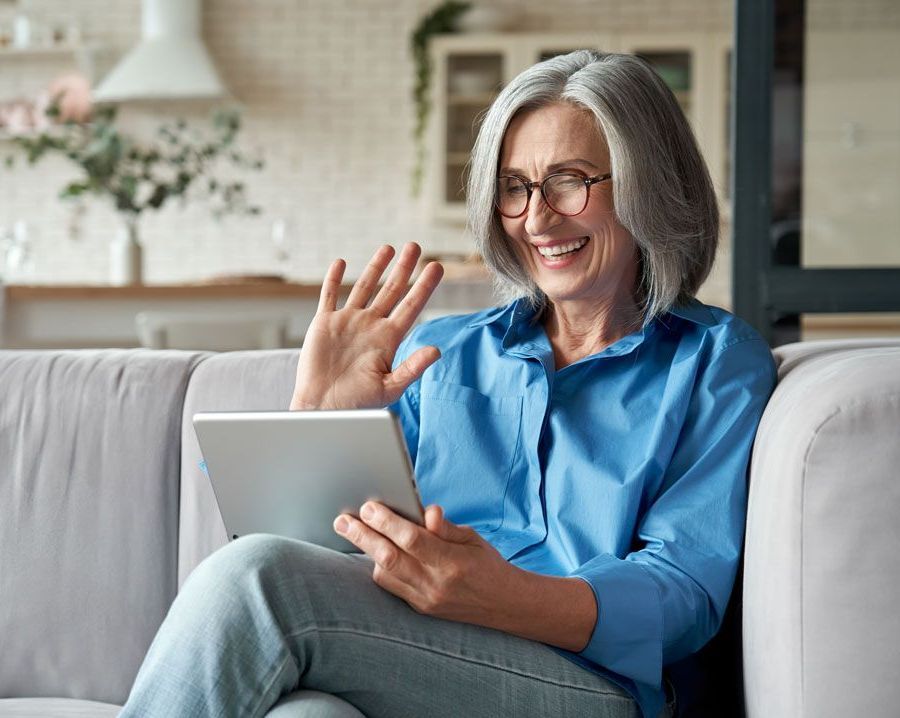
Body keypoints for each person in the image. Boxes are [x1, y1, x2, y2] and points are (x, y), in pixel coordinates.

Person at [120, 50, 775, 718]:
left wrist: (503, 595)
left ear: (648, 183)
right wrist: (317, 417)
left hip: (588, 684)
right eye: (515, 187)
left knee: (256, 580)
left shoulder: (714, 361)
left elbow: (685, 597)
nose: (537, 219)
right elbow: (320, 555)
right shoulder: (443, 350)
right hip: (416, 658)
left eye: (569, 181)